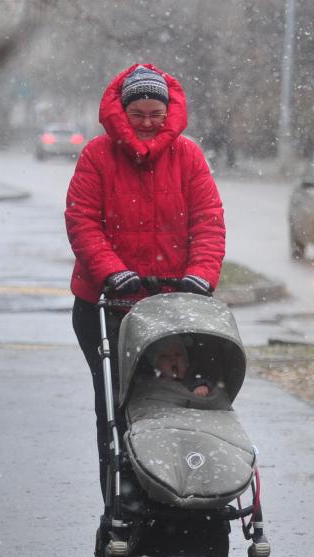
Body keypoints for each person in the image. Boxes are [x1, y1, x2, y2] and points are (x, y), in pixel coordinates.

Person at [65, 63, 225, 501]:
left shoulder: (188, 156)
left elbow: (208, 222)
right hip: (109, 304)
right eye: (140, 114)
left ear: (169, 112)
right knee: (117, 406)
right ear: (123, 112)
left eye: (157, 113)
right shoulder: (97, 156)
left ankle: (176, 485)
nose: (149, 123)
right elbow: (82, 222)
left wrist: (201, 274)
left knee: (177, 396)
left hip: (173, 303)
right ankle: (121, 496)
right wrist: (112, 272)